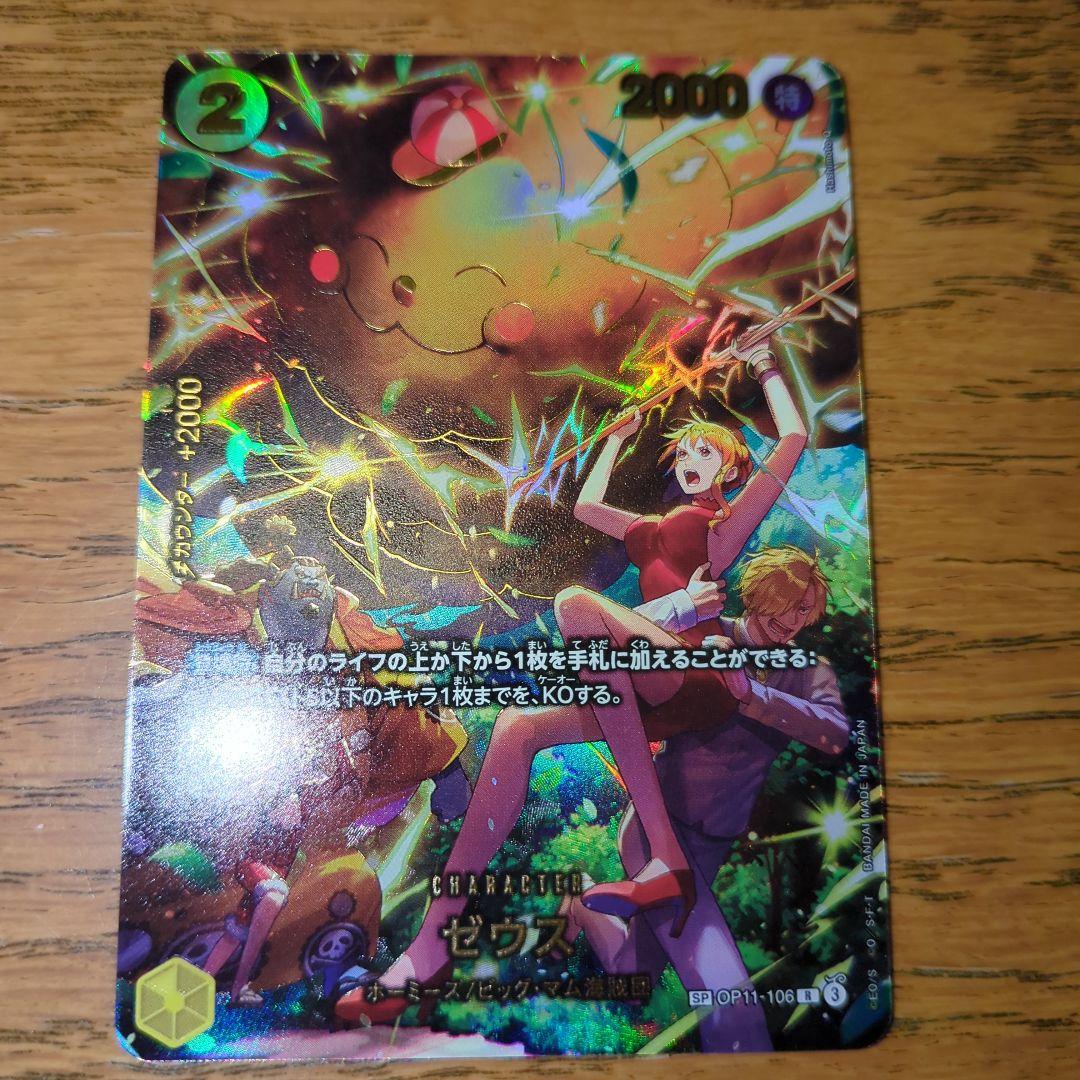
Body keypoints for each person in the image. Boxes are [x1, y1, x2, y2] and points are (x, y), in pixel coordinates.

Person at [335, 334, 808, 1026]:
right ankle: (427, 953)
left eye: (709, 453)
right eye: (688, 451)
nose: (693, 459)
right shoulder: (653, 531)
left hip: (694, 676)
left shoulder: (722, 528)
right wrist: (613, 442)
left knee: (577, 607)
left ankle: (664, 855)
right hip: (644, 684)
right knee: (516, 729)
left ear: (733, 470)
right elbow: (588, 508)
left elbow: (793, 439)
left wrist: (763, 363)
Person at [567, 546, 850, 1052]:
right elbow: (598, 632)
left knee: (634, 975)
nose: (792, 619)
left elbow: (833, 734)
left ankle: (579, 903)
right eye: (786, 602)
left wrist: (752, 695)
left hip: (714, 842)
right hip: (657, 830)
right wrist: (684, 605)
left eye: (805, 609)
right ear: (760, 592)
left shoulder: (810, 670)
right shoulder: (707, 631)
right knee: (728, 999)